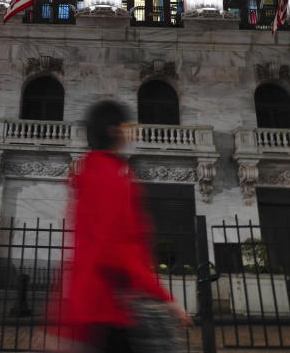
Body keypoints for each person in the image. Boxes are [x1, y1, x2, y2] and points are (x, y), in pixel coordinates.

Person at [56, 100, 190, 353]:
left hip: (88, 307)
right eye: (127, 126)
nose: (132, 132)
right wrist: (165, 298)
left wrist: (63, 326)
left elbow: (82, 249)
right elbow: (120, 250)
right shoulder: (114, 177)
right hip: (112, 310)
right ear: (113, 131)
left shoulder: (87, 171)